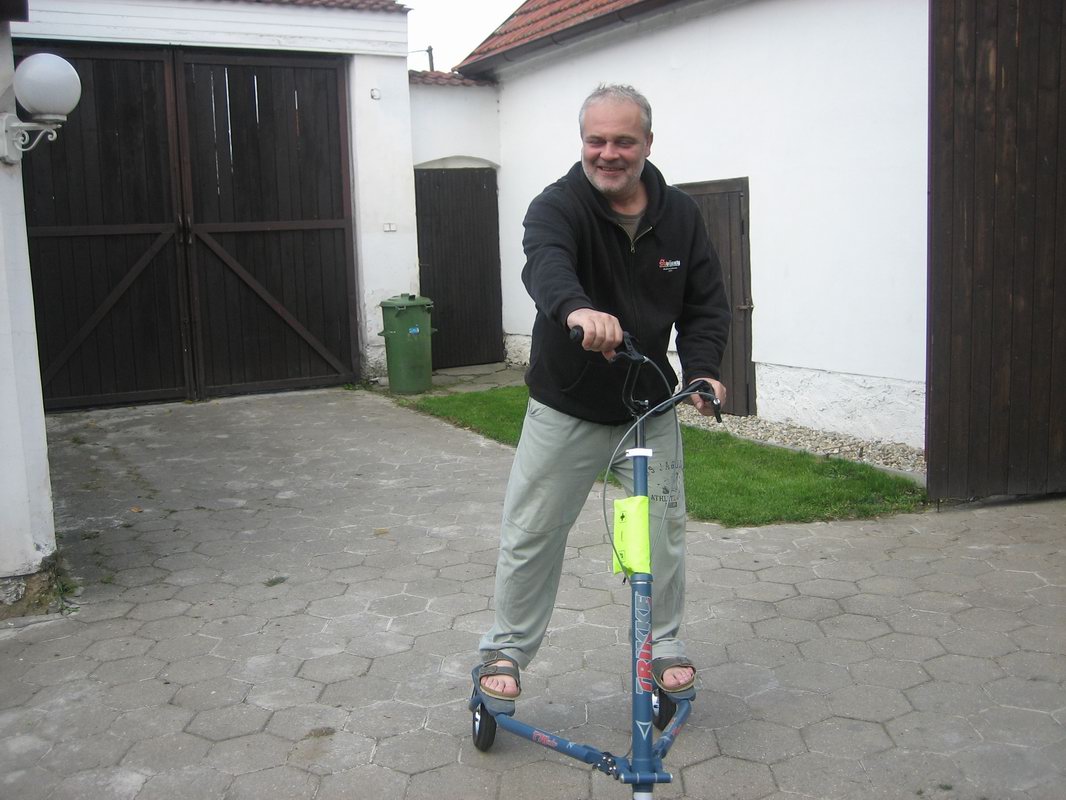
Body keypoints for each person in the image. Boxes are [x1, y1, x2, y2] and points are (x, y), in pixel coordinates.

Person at [476, 84, 731, 701]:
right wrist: (577, 309)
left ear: (648, 142)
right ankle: (505, 650)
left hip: (649, 410)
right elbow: (546, 265)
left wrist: (701, 370)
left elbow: (705, 305)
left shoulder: (681, 216)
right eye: (596, 140)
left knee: (660, 533)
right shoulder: (557, 206)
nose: (608, 153)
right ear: (582, 141)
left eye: (623, 141)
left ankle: (662, 644)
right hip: (567, 407)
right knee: (534, 532)